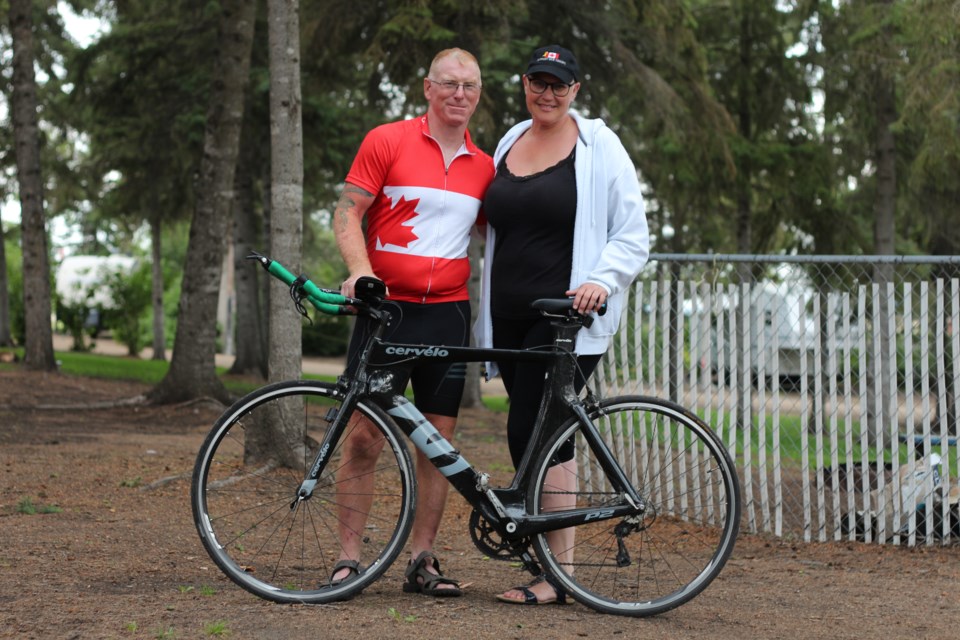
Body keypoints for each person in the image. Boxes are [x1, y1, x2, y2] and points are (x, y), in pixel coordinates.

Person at [474, 44, 650, 605]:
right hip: (507, 316)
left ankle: (557, 574)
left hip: (567, 317)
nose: (546, 93)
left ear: (576, 89)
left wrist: (604, 278)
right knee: (524, 433)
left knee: (545, 432)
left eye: (559, 84)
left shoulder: (600, 145)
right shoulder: (509, 141)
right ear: (524, 83)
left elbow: (633, 232)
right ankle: (545, 560)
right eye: (537, 82)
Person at [330, 48, 494, 597]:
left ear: (478, 93)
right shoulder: (387, 140)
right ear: (427, 87)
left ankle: (422, 560)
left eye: (469, 87)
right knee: (364, 439)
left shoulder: (486, 165)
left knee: (438, 443)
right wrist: (359, 272)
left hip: (448, 315)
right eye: (449, 84)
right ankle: (349, 560)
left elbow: (503, 237)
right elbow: (347, 210)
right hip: (387, 312)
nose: (459, 95)